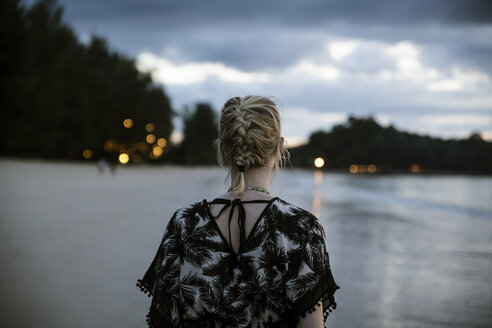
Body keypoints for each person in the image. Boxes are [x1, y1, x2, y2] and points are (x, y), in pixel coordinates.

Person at [136, 96, 340, 327]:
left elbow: (163, 319)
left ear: (223, 150)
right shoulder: (302, 229)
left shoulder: (185, 223)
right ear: (280, 148)